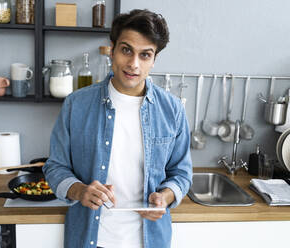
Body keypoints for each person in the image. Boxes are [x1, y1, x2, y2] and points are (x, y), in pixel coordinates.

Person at [43, 9, 192, 248]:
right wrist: (79, 190)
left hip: (149, 241)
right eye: (126, 50)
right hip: (90, 239)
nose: (133, 64)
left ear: (154, 60)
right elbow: (55, 167)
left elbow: (181, 173)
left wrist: (165, 197)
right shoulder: (76, 104)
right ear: (112, 50)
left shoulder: (172, 110)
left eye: (145, 55)